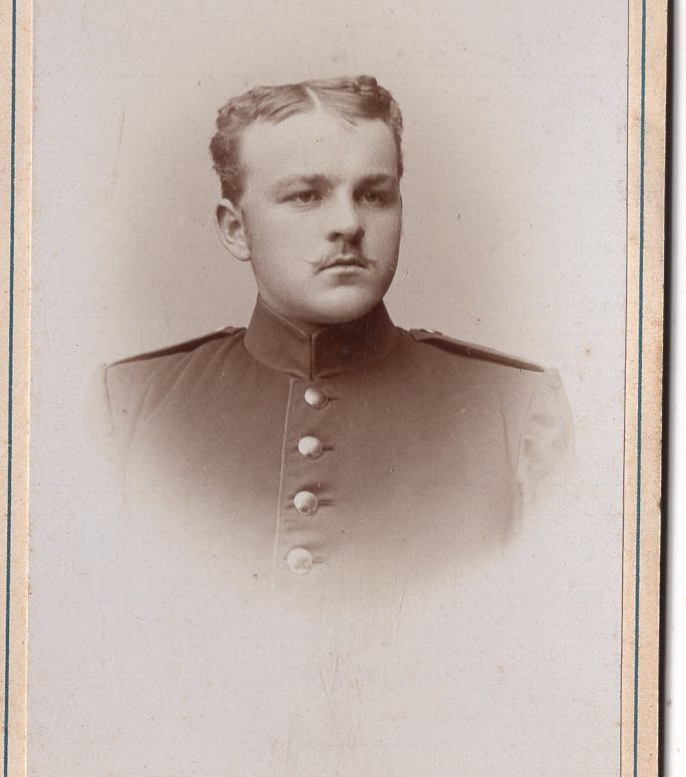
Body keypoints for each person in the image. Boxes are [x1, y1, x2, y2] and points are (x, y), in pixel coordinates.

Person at [105, 75, 572, 598]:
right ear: (236, 230)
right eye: (306, 195)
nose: (349, 223)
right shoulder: (130, 408)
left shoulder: (515, 410)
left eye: (374, 195)